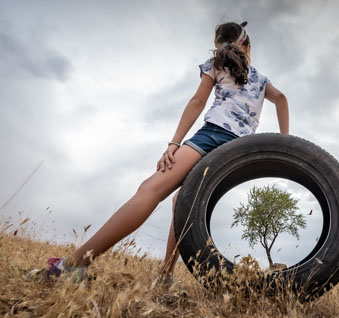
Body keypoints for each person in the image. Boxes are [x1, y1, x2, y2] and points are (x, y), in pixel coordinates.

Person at [44, 21, 289, 284]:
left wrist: (174, 143)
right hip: (239, 151)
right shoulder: (261, 79)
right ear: (247, 45)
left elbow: (197, 102)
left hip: (214, 134)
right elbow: (282, 98)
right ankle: (165, 275)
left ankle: (74, 265)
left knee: (151, 189)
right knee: (180, 201)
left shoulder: (216, 64)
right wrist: (288, 146)